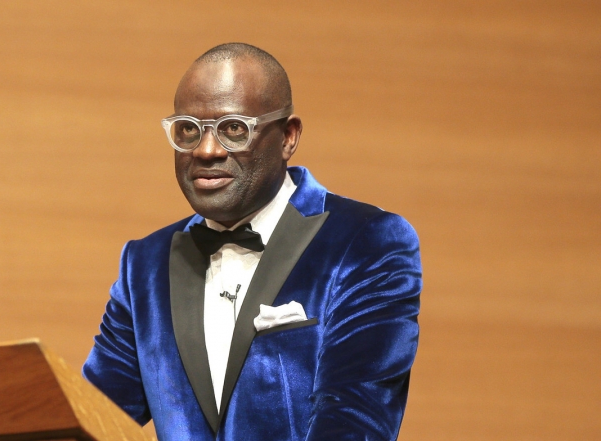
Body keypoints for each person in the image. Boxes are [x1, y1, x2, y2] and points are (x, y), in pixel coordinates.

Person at [83, 43, 422, 441]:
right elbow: (92, 415)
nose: (206, 150)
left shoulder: (365, 242)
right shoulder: (145, 265)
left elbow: (355, 420)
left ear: (288, 137)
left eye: (233, 129)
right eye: (189, 130)